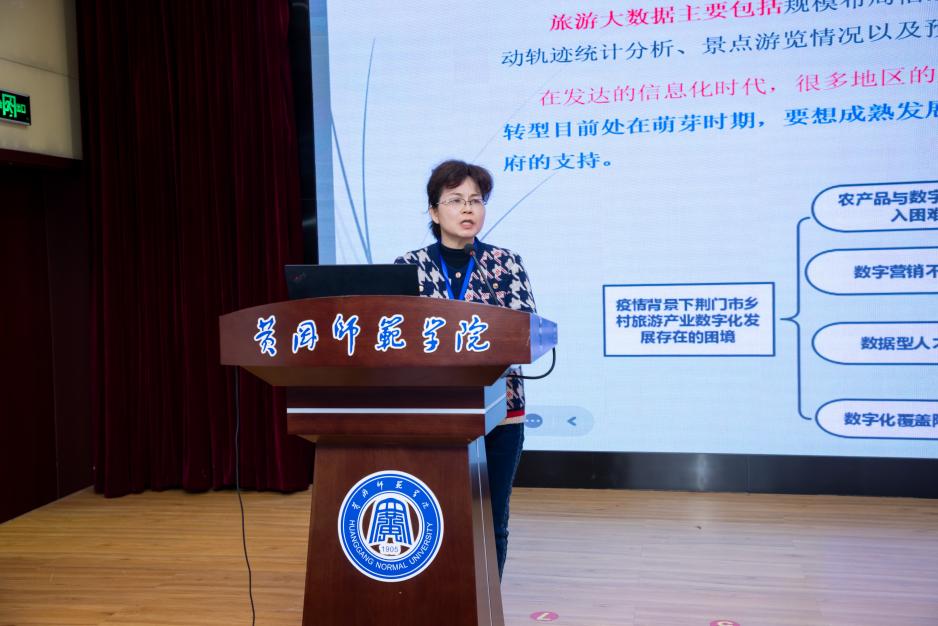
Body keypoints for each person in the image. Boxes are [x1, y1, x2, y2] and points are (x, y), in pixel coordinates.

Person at [394, 159, 537, 580]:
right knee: (436, 517)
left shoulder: (505, 264)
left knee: (492, 520)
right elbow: (397, 335)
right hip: (433, 414)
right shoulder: (407, 267)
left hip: (500, 413)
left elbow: (525, 329)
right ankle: (443, 602)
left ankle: (486, 605)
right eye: (456, 200)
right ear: (434, 212)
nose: (468, 208)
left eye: (476, 200)